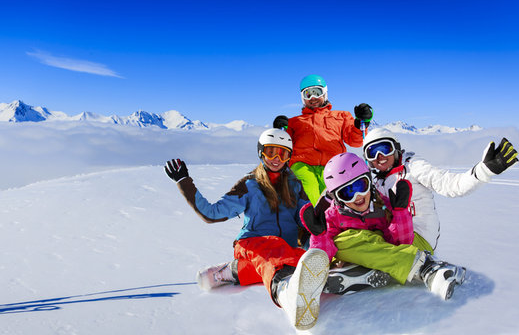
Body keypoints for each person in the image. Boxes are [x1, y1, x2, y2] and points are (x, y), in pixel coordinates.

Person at [164, 128, 329, 330]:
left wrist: (316, 224)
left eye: (282, 153)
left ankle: (232, 271)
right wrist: (184, 182)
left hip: (283, 249)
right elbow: (212, 213)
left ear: (289, 156)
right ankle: (284, 291)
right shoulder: (249, 184)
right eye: (270, 152)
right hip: (252, 243)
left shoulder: (294, 185)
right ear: (261, 152)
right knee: (276, 250)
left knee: (300, 254)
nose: (276, 159)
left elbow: (303, 215)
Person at [300, 152, 467, 300]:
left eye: (361, 186)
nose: (357, 196)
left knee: (346, 241)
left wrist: (400, 213)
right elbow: (323, 257)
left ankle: (423, 267)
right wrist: (319, 236)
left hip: (385, 251)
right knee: (340, 243)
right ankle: (374, 269)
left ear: (370, 183)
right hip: (357, 256)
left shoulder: (383, 206)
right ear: (338, 199)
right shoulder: (332, 217)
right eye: (347, 192)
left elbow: (401, 243)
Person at [362, 128, 519, 252]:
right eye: (372, 153)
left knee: (373, 246)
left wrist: (483, 171)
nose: (379, 156)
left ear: (395, 148)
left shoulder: (413, 167)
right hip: (394, 235)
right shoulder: (377, 182)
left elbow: (450, 184)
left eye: (384, 148)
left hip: (418, 236)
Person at [273, 74, 373, 206]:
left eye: (317, 92)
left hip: (333, 164)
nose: (312, 98)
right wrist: (280, 129)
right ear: (302, 98)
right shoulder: (295, 122)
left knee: (333, 192)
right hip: (302, 163)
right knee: (307, 186)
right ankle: (312, 220)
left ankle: (336, 218)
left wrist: (361, 123)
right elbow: (284, 143)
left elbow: (355, 141)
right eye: (307, 94)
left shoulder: (341, 116)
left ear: (325, 93)